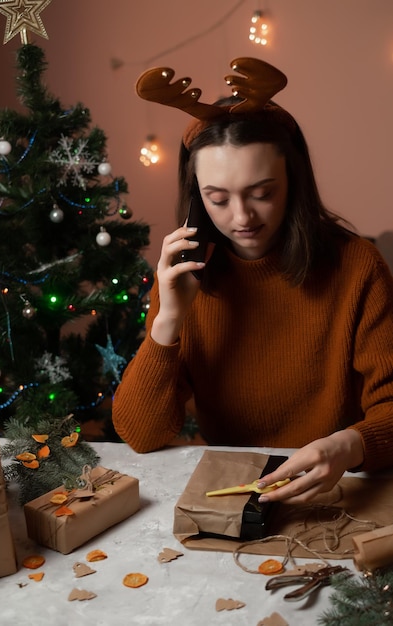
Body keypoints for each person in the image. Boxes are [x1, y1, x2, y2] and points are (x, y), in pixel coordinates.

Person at [112, 58, 393, 504]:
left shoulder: (358, 266)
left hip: (339, 490)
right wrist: (169, 320)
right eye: (218, 199)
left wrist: (350, 444)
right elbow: (141, 434)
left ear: (293, 182)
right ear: (196, 200)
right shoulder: (185, 276)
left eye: (262, 193)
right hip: (234, 491)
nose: (241, 218)